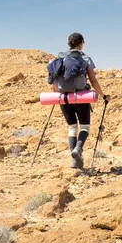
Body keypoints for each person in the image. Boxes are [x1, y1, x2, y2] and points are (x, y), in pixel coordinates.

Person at [48, 33, 110, 169]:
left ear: (69, 43)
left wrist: (58, 94)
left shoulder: (60, 58)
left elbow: (53, 80)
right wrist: (103, 95)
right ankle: (78, 149)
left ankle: (75, 159)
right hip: (81, 97)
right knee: (84, 127)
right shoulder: (85, 58)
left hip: (63, 97)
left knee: (72, 128)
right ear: (81, 42)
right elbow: (93, 80)